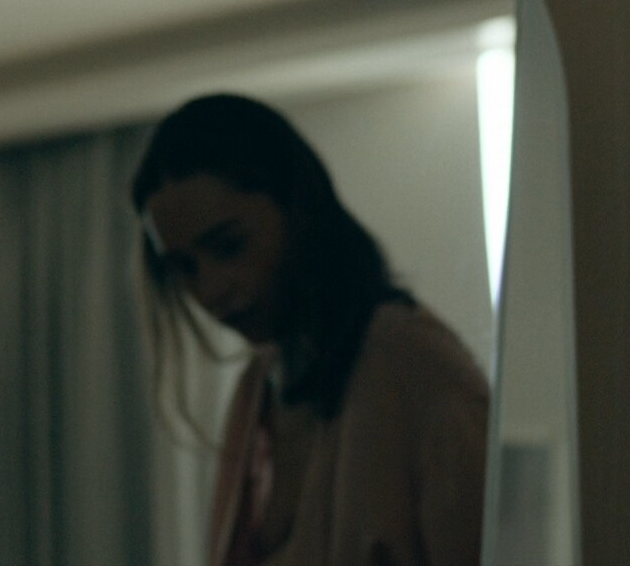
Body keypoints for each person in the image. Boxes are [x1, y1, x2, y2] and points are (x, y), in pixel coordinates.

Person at [130, 94, 488, 566]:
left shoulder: (411, 361)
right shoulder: (259, 386)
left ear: (298, 210)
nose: (210, 290)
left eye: (229, 246)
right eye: (184, 268)